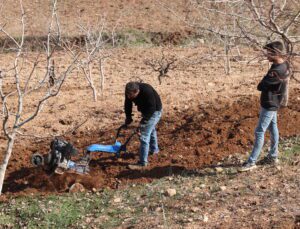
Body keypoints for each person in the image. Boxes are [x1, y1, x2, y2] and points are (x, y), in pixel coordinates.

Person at [239, 41, 289, 172]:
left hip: (269, 104)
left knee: (259, 131)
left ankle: (252, 161)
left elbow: (260, 86)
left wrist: (264, 80)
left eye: (268, 52)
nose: (266, 54)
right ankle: (273, 156)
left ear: (276, 53)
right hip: (273, 103)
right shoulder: (284, 65)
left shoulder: (276, 71)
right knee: (273, 128)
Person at [124, 82, 162, 170]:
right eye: (128, 94)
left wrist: (143, 122)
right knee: (151, 130)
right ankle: (154, 150)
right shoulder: (129, 90)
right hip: (145, 110)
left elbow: (152, 108)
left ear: (137, 91)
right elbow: (127, 103)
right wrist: (128, 117)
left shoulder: (147, 91)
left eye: (131, 95)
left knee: (144, 136)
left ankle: (142, 163)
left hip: (154, 112)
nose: (129, 97)